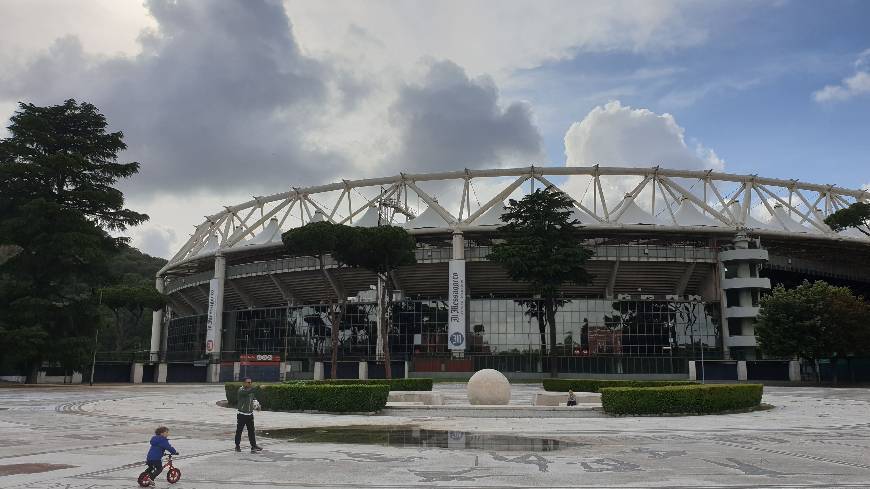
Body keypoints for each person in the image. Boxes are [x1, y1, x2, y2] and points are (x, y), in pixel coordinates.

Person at [235, 377, 263, 453]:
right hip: (242, 415)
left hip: (250, 414)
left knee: (251, 431)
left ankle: (253, 446)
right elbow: (249, 392)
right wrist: (258, 387)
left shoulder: (251, 391)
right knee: (239, 431)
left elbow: (253, 399)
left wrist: (257, 405)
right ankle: (237, 446)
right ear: (244, 383)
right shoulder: (241, 390)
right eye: (248, 382)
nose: (250, 384)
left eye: (250, 382)